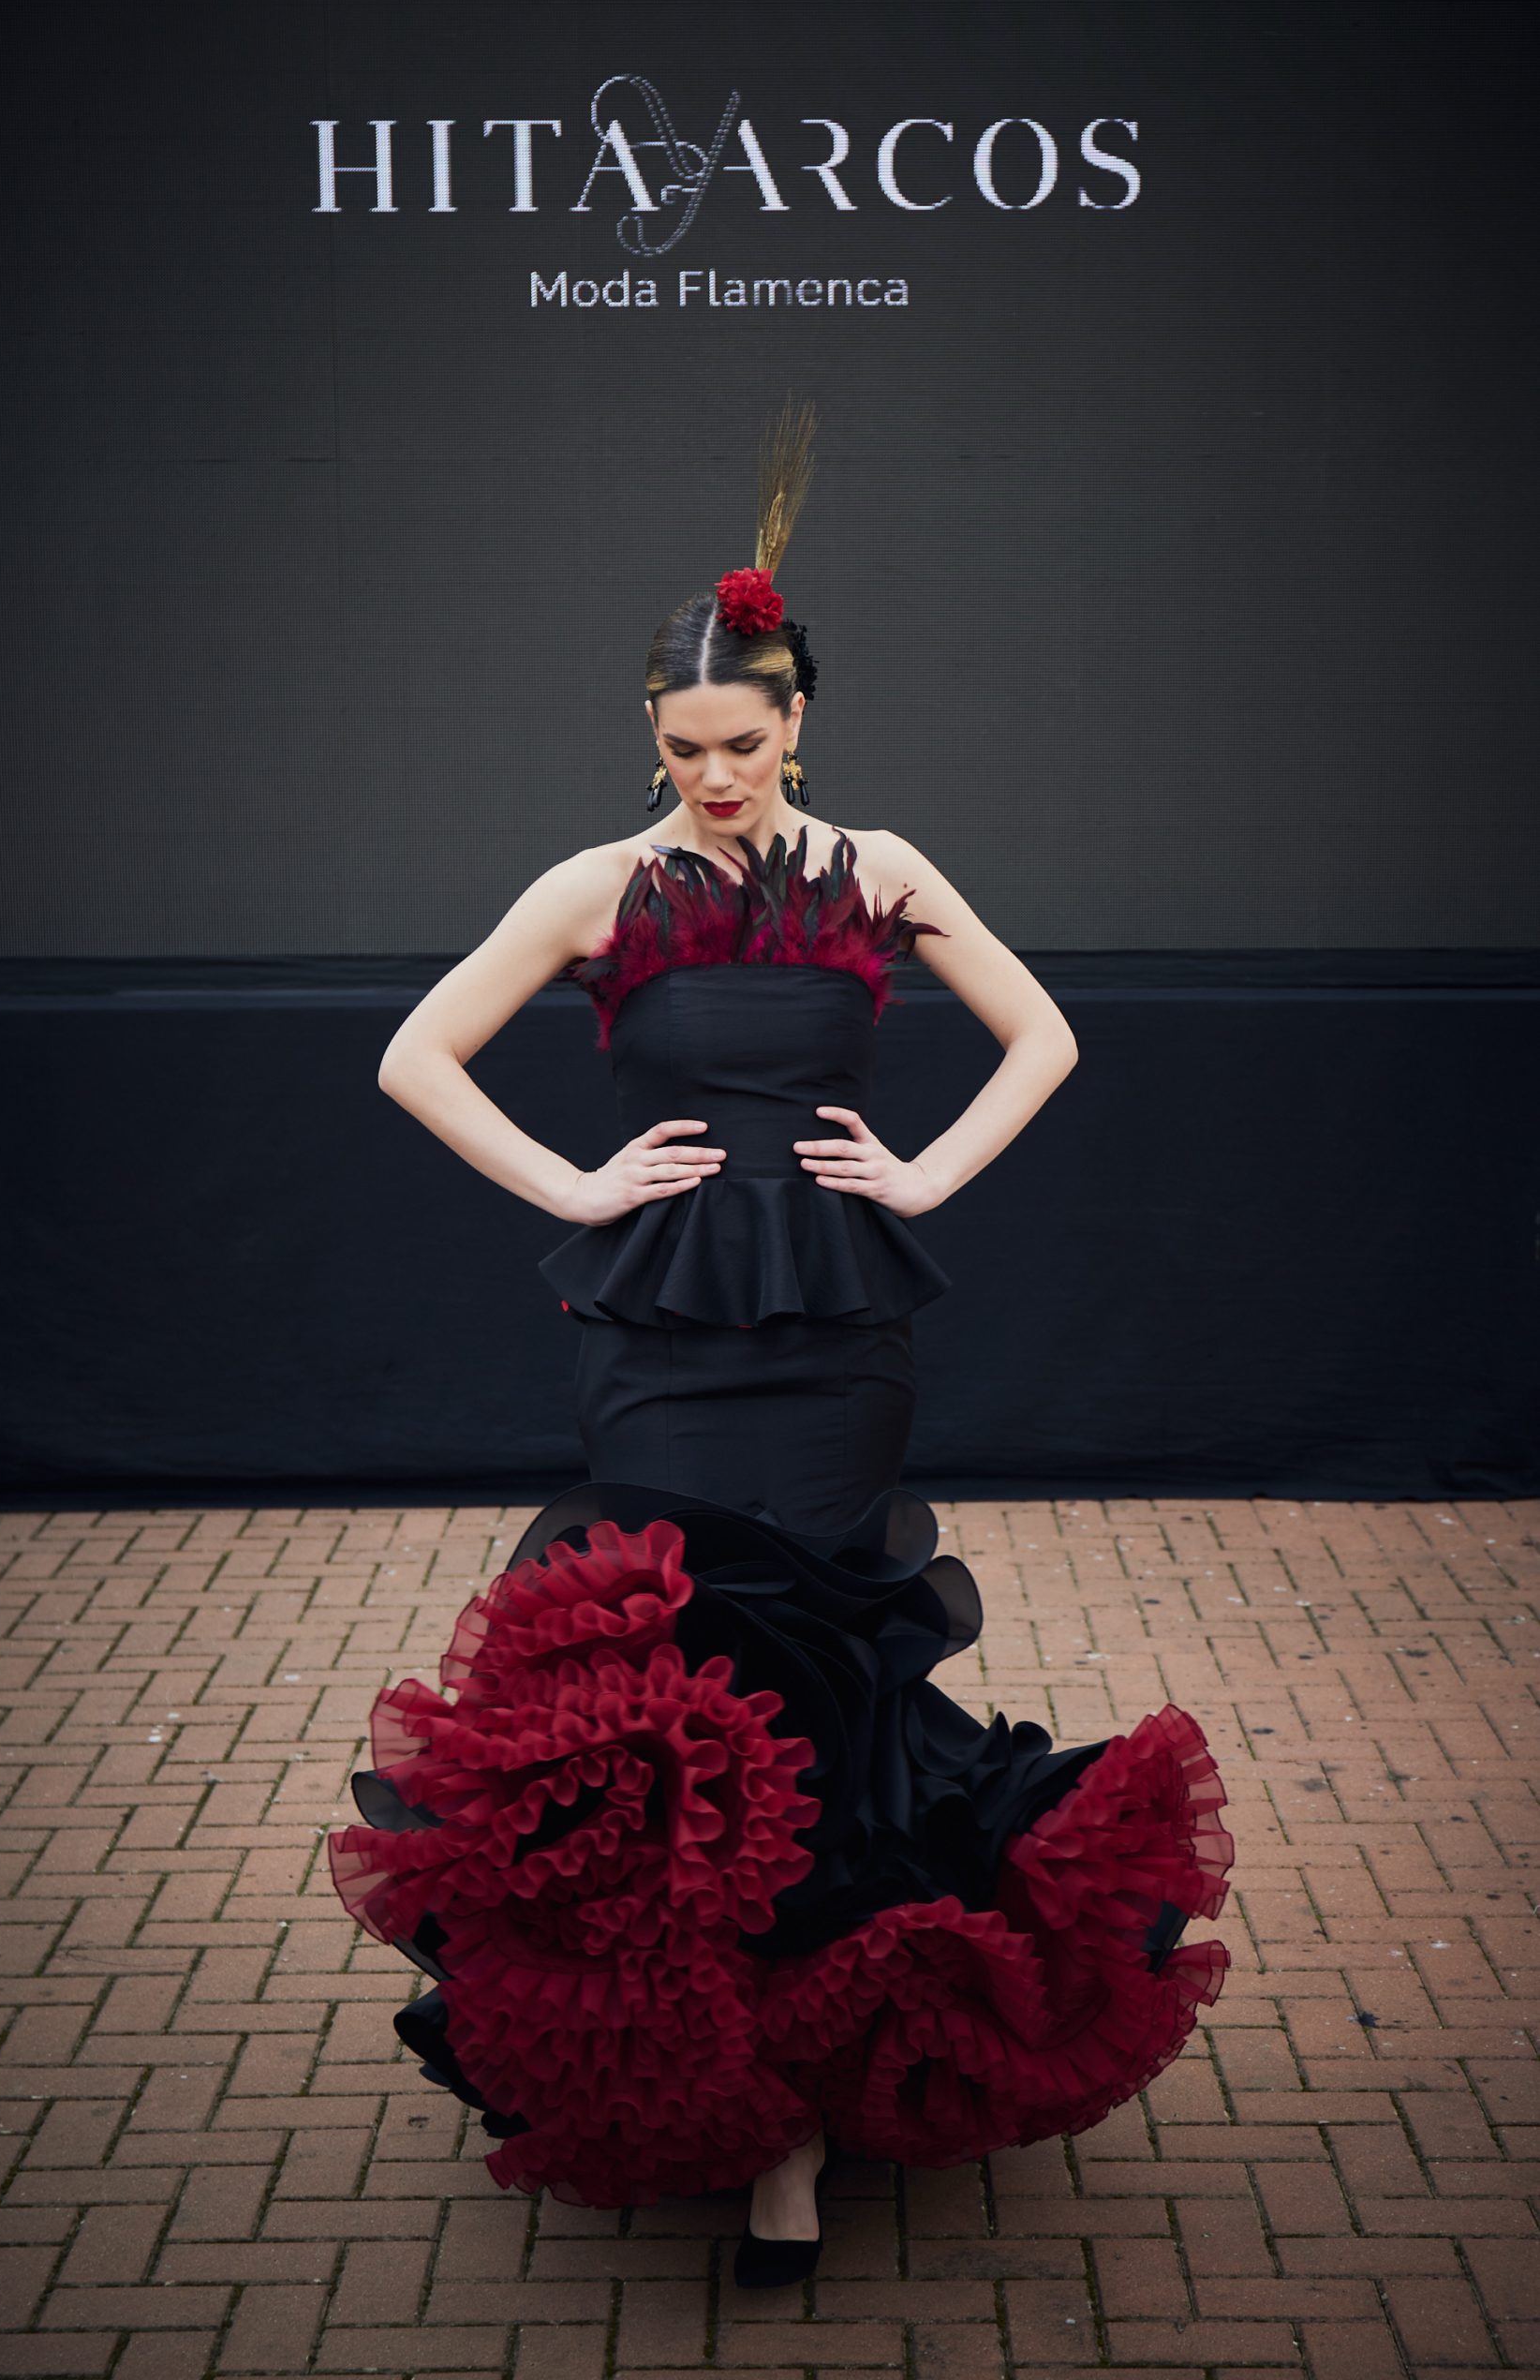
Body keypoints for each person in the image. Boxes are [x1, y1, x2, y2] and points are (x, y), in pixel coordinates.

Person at [328, 400, 1233, 2286]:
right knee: (671, 1692)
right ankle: (708, 2076)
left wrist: (919, 1169)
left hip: (837, 1333)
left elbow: (1043, 1033)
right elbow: (411, 1051)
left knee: (818, 1681)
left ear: (796, 720)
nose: (714, 777)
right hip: (656, 1335)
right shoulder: (597, 886)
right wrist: (572, 1184)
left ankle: (801, 2125)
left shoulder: (883, 868)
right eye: (681, 750)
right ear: (646, 740)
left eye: (741, 744)